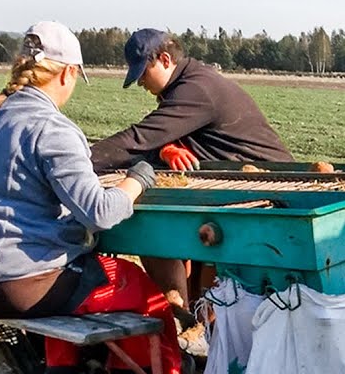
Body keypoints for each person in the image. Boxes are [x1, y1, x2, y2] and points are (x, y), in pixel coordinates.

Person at [0, 21, 184, 374]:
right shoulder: (51, 128)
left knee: (74, 269)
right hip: (18, 285)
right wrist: (139, 177)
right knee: (141, 289)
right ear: (68, 72)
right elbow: (100, 212)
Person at [90, 29, 294, 318]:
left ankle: (197, 324)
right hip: (230, 185)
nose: (141, 83)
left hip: (270, 190)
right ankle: (189, 320)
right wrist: (165, 149)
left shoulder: (196, 89)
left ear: (163, 59)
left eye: (143, 73)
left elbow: (140, 139)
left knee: (160, 228)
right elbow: (163, 137)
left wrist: (81, 162)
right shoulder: (187, 83)